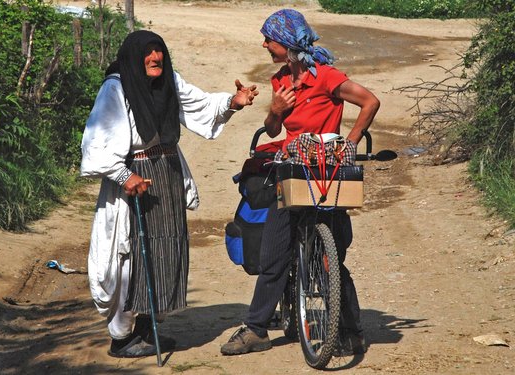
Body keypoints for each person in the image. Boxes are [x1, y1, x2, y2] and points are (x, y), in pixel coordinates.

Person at [80, 30, 258, 358]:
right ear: (133, 57)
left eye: (158, 51)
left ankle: (149, 330)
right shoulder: (116, 88)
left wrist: (232, 103)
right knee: (129, 254)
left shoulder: (168, 81)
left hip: (167, 174)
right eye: (147, 53)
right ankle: (122, 338)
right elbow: (96, 140)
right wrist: (123, 175)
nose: (155, 58)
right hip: (132, 178)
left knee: (165, 249)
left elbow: (198, 103)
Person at [220, 9, 380, 357]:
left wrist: (349, 144)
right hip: (291, 173)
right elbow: (274, 130)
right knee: (274, 255)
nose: (265, 44)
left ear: (288, 42)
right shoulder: (280, 80)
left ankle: (352, 333)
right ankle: (257, 329)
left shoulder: (325, 77)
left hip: (325, 173)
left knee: (331, 260)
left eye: (269, 39)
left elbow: (370, 101)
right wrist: (275, 109)